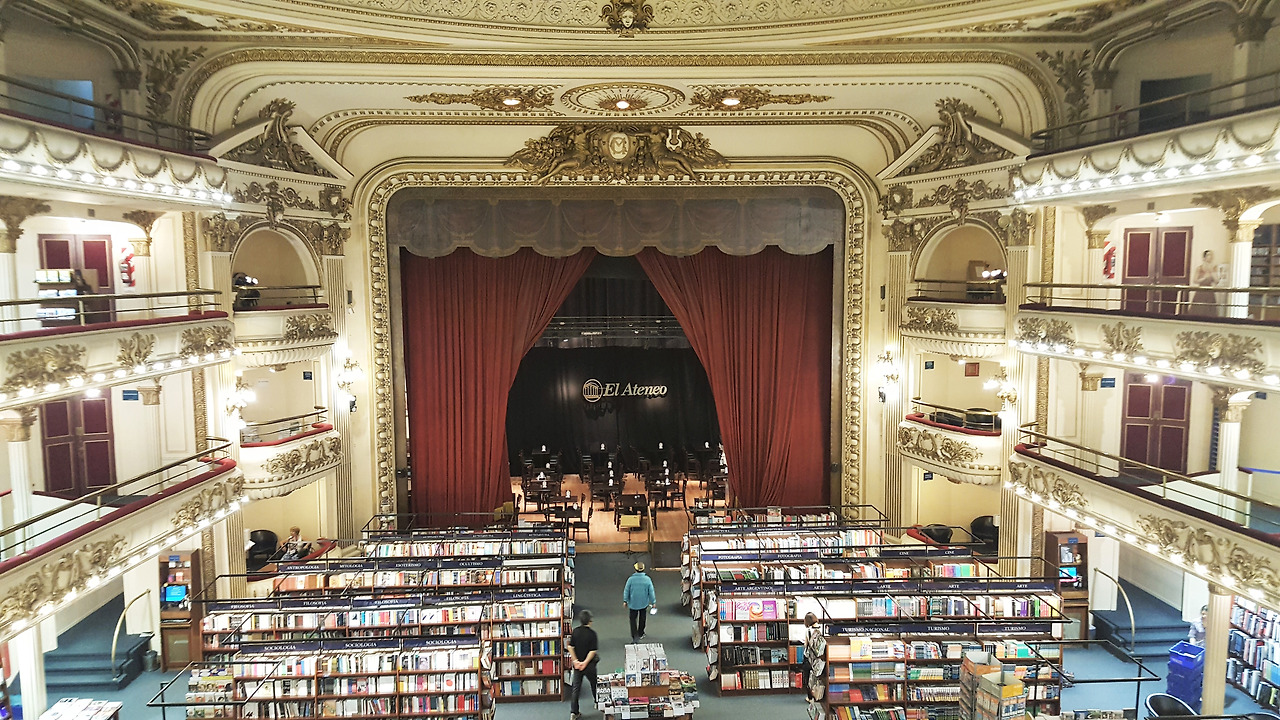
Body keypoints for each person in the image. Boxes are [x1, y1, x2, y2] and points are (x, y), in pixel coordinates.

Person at [567, 609, 599, 720]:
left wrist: (576, 661)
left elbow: (570, 647)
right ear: (590, 621)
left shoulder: (575, 632)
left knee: (576, 689)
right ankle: (597, 702)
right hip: (589, 665)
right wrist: (585, 663)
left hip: (577, 666)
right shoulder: (592, 634)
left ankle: (574, 712)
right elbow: (592, 651)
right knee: (594, 684)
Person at [622, 561, 656, 642]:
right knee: (642, 618)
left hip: (633, 603)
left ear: (635, 569)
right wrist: (653, 602)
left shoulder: (630, 579)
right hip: (643, 603)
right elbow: (651, 592)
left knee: (632, 619)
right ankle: (641, 633)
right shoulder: (647, 579)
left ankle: (634, 635)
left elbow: (626, 590)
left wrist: (625, 601)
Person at [802, 613, 828, 703]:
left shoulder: (808, 631)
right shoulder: (823, 629)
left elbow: (806, 645)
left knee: (808, 678)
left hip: (810, 659)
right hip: (821, 659)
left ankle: (810, 697)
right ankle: (820, 696)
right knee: (820, 678)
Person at [1190, 250, 1220, 317]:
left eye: (1211, 255)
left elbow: (1217, 281)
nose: (1210, 257)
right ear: (1204, 257)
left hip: (1210, 291)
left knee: (1210, 310)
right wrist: (1204, 278)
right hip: (1201, 290)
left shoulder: (1214, 268)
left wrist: (1212, 272)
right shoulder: (1199, 268)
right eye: (1208, 255)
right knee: (1199, 309)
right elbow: (1195, 280)